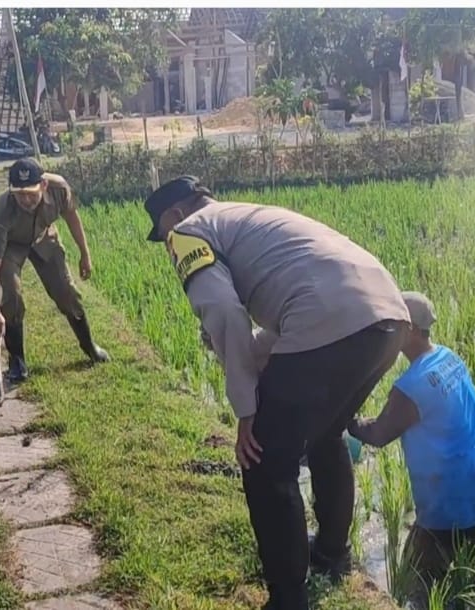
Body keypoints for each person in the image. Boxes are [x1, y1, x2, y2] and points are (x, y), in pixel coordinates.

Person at [143, 175, 411, 610]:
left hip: (330, 320)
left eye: (163, 231)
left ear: (173, 216)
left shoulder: (186, 231)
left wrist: (247, 408)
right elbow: (283, 322)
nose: (166, 242)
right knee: (325, 435)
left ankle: (288, 599)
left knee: (264, 461)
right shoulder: (244, 216)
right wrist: (256, 361)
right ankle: (331, 553)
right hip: (388, 318)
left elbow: (224, 312)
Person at [347, 291, 475, 591]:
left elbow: (379, 434)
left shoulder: (411, 385)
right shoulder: (448, 356)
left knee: (416, 586)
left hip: (452, 497)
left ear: (409, 330)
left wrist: (348, 422)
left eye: (393, 325)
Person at [0, 157, 108, 383]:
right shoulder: (0, 214)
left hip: (44, 236)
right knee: (11, 295)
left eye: (31, 192)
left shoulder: (59, 188)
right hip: (12, 246)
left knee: (67, 292)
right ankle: (17, 362)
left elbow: (72, 217)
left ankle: (90, 346)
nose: (26, 199)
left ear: (44, 185)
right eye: (20, 194)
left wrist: (85, 254)